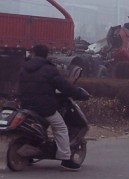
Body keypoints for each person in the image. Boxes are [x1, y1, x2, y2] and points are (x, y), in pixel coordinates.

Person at [17, 43, 90, 171]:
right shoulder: (49, 69)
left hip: (26, 105)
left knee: (39, 126)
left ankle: (30, 155)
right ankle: (66, 159)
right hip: (44, 107)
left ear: (33, 54)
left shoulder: (24, 68)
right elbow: (64, 87)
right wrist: (79, 94)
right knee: (60, 128)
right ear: (46, 55)